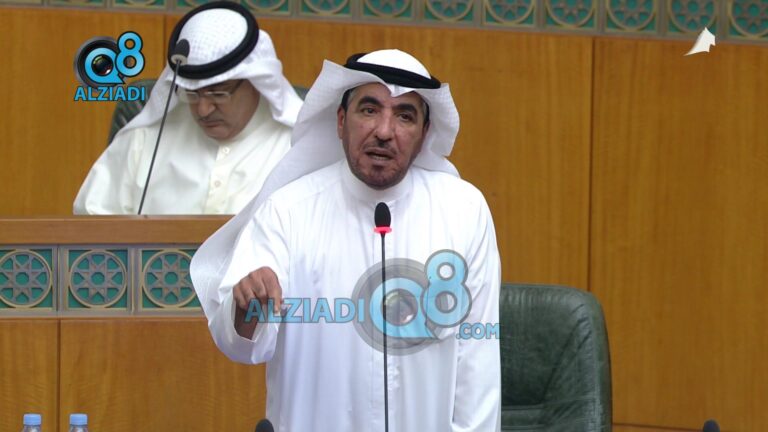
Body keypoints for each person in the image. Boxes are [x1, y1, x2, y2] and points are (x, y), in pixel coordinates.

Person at [191, 49, 501, 431]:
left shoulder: (463, 210)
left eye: (404, 116)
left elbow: (477, 361)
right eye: (369, 110)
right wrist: (246, 309)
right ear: (340, 121)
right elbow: (243, 346)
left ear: (424, 136)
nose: (384, 131)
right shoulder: (287, 211)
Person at [73, 1, 303, 215]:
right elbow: (92, 223)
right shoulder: (145, 139)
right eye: (191, 94)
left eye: (218, 93)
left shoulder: (298, 148)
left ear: (255, 82)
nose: (203, 110)